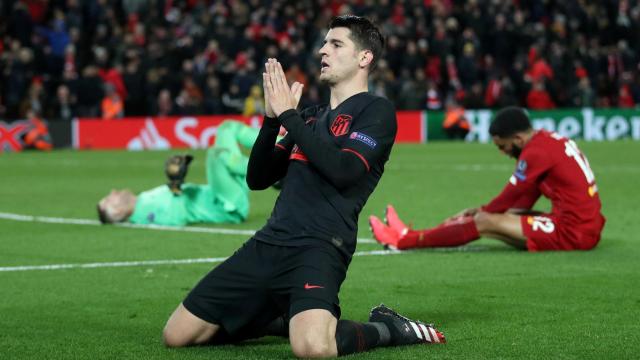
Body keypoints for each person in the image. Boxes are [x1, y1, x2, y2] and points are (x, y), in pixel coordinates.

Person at [162, 15, 445, 358]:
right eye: (324, 43)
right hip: (270, 241)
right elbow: (258, 179)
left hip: (320, 245)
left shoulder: (377, 111)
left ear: (364, 58)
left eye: (336, 44)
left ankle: (387, 328)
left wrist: (289, 117)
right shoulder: (310, 116)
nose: (323, 50)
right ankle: (287, 315)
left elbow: (344, 171)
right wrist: (271, 120)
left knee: (312, 348)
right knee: (177, 335)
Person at [370, 106, 605, 252]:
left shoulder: (536, 152)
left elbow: (509, 197)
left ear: (519, 138)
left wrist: (480, 211)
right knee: (489, 218)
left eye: (503, 146)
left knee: (484, 221)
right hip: (580, 224)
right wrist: (488, 212)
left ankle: (403, 242)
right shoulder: (547, 141)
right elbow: (525, 199)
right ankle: (408, 234)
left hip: (574, 232)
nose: (503, 152)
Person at [97, 120, 258, 226]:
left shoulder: (142, 200)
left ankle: (278, 143)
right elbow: (177, 217)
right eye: (110, 199)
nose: (113, 192)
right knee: (215, 154)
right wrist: (177, 184)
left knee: (227, 128)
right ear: (117, 212)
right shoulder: (145, 213)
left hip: (224, 193)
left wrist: (176, 183)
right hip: (226, 206)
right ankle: (269, 166)